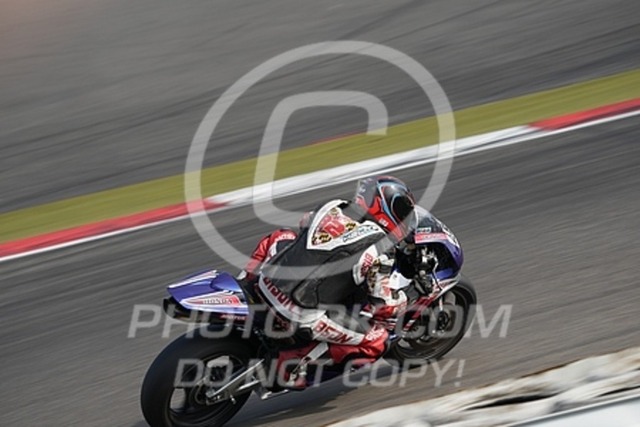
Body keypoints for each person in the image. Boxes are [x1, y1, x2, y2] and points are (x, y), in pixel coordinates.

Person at [255, 175, 418, 389]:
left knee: (281, 235)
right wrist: (407, 298)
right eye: (402, 209)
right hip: (299, 311)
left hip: (267, 281)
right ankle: (288, 364)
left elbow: (305, 222)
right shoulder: (382, 247)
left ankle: (247, 282)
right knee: (378, 341)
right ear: (385, 206)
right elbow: (383, 305)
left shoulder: (333, 206)